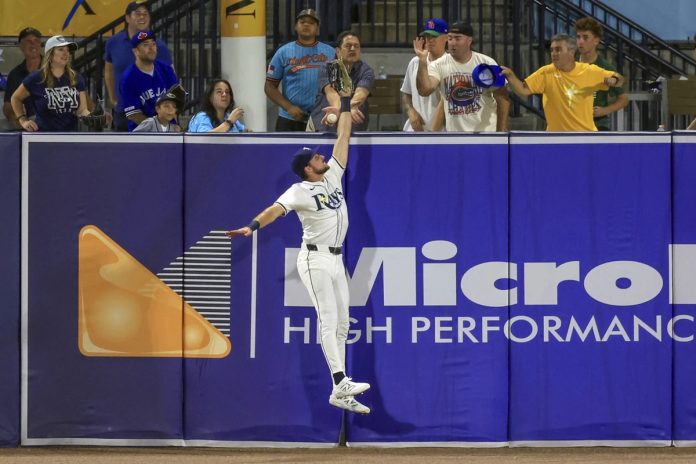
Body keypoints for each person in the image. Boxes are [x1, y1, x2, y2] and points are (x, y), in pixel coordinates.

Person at [226, 80, 371, 415]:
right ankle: (339, 381)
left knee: (345, 322)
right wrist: (252, 226)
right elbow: (274, 210)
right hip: (314, 259)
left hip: (336, 260)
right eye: (316, 157)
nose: (322, 156)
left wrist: (345, 103)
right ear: (308, 168)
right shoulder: (299, 190)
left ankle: (342, 389)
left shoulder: (332, 174)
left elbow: (344, 135)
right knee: (329, 317)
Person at [501, 34, 624, 131]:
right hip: (555, 138)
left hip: (585, 137)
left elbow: (619, 79)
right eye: (552, 50)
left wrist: (614, 79)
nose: (554, 53)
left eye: (558, 49)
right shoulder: (546, 72)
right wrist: (511, 75)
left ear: (571, 51)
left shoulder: (589, 71)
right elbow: (523, 90)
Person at [415, 21, 509, 132]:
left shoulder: (487, 62)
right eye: (450, 39)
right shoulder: (438, 65)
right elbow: (424, 90)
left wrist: (500, 133)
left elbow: (503, 99)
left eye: (457, 38)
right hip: (455, 137)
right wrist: (422, 61)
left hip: (486, 135)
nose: (452, 43)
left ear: (469, 40)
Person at [104, 1, 173, 132]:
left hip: (154, 112)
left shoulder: (158, 45)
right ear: (127, 18)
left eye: (145, 14)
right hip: (124, 111)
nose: (142, 17)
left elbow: (171, 75)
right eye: (138, 14)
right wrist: (113, 99)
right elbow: (109, 70)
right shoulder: (113, 42)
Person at [265, 9, 335, 131]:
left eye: (311, 23)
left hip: (322, 117)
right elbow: (269, 86)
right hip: (289, 118)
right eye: (302, 22)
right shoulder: (283, 52)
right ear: (295, 27)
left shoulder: (331, 52)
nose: (306, 25)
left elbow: (339, 86)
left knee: (320, 151)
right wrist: (289, 107)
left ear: (318, 29)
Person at [10, 35, 90, 132]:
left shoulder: (76, 78)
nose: (66, 53)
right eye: (61, 49)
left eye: (67, 50)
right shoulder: (36, 78)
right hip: (43, 137)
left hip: (70, 137)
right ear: (50, 54)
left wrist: (93, 117)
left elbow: (82, 110)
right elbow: (15, 98)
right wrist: (23, 120)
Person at [307, 31, 374, 132]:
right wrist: (341, 108)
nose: (353, 49)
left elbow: (361, 93)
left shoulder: (366, 71)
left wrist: (351, 106)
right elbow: (331, 93)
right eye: (348, 45)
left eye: (356, 46)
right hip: (322, 127)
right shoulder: (327, 67)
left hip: (354, 129)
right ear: (338, 51)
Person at [575, 17, 628, 131]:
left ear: (596, 40)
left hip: (598, 123)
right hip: (573, 121)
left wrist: (605, 110)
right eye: (578, 37)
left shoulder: (605, 67)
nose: (580, 41)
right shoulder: (570, 62)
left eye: (585, 37)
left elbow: (623, 99)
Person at [120, 30, 178, 132]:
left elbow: (175, 101)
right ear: (135, 51)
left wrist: (174, 126)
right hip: (142, 134)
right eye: (145, 45)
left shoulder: (166, 70)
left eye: (153, 44)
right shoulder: (128, 78)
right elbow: (133, 114)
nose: (151, 48)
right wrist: (159, 128)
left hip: (169, 131)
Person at [401, 18, 448, 132]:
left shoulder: (449, 64)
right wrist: (410, 111)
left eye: (434, 36)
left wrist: (432, 134)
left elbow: (445, 102)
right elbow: (406, 94)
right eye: (427, 36)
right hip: (414, 130)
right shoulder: (415, 62)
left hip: (440, 132)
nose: (429, 40)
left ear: (446, 38)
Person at [3, 27, 42, 130]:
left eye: (36, 41)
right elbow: (8, 106)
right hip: (29, 125)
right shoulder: (15, 74)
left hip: (54, 124)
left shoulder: (53, 69)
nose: (33, 44)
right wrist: (22, 123)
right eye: (29, 41)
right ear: (21, 46)